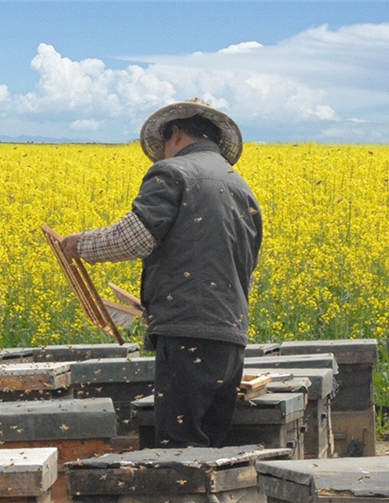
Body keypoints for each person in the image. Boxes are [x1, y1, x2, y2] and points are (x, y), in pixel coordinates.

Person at [61, 98, 262, 448]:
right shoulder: (241, 187)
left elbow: (135, 237)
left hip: (188, 335)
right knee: (212, 451)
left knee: (179, 451)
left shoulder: (173, 173)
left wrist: (81, 245)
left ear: (177, 133)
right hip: (231, 339)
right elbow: (245, 269)